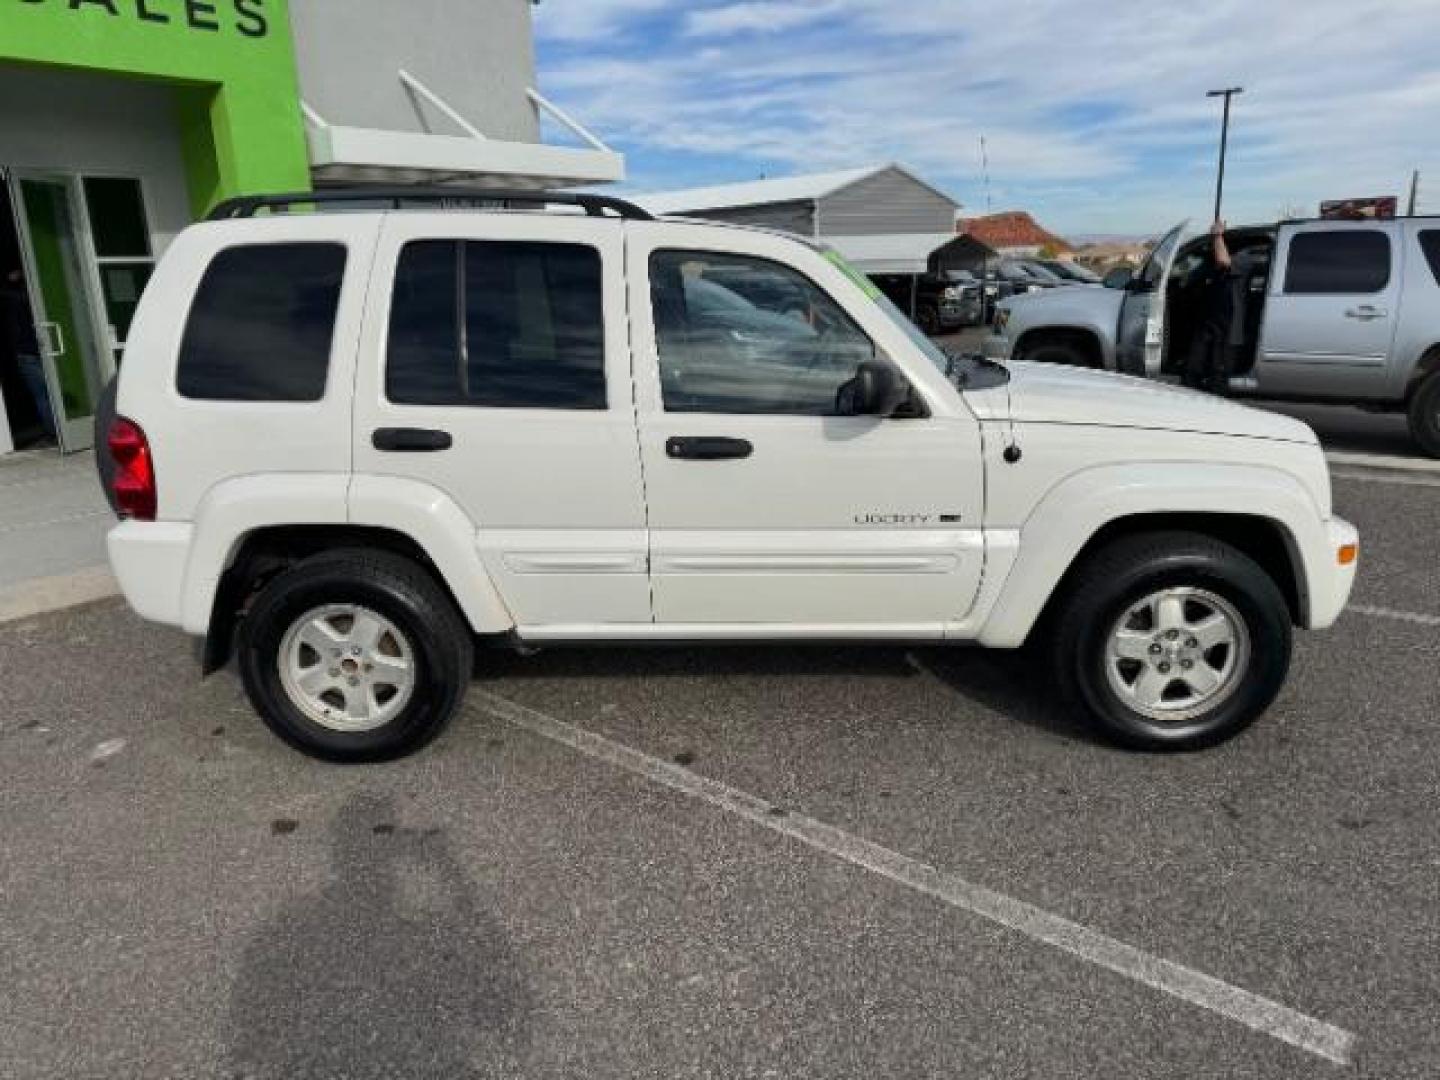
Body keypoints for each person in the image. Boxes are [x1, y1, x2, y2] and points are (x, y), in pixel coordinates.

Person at [0, 265, 55, 441]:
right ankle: (56, 431)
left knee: (42, 395)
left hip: (28, 352)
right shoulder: (30, 297)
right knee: (48, 394)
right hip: (36, 350)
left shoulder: (16, 298)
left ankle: (53, 432)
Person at [1182, 219, 1237, 393]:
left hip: (1221, 330)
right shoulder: (1208, 270)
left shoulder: (1239, 261)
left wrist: (1217, 236)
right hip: (1207, 326)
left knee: (1216, 372)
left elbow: (1223, 262)